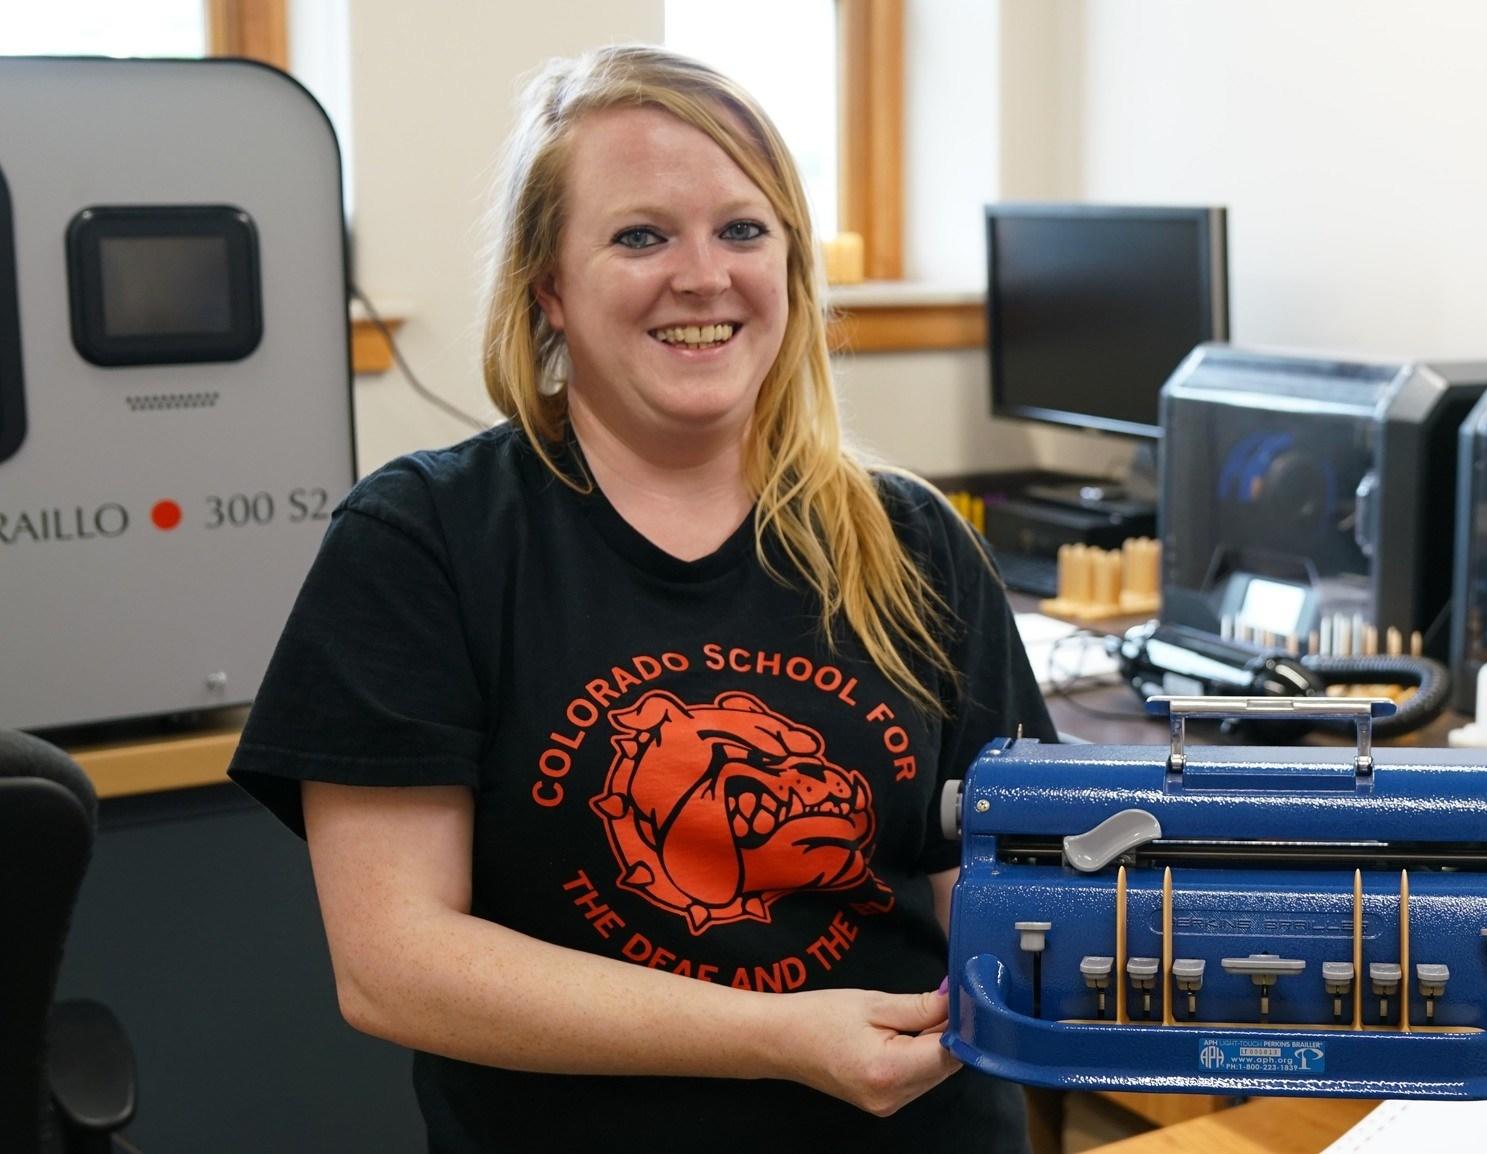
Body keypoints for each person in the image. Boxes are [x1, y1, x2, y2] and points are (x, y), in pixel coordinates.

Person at [229, 44, 1054, 1153]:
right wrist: (777, 1034)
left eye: (742, 229)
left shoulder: (912, 542)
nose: (703, 275)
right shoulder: (423, 541)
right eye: (639, 235)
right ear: (549, 289)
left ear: (793, 269)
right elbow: (394, 966)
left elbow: (1003, 893)